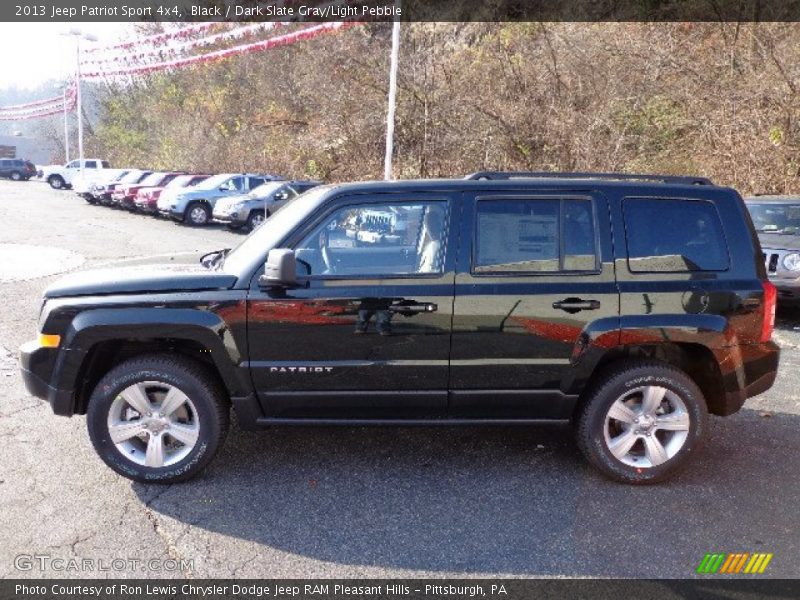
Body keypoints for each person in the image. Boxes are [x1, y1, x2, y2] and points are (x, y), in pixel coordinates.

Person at [418, 208, 445, 273]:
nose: (430, 229)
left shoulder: (443, 247)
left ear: (439, 225)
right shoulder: (429, 246)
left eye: (432, 225)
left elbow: (434, 272)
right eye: (428, 226)